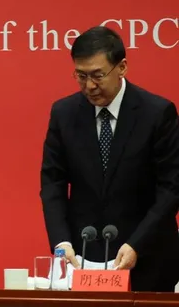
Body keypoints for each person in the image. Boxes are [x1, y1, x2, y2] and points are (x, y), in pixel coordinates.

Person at [40, 26, 179, 292]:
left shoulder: (157, 113)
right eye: (81, 76)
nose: (89, 86)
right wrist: (61, 243)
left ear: (122, 67)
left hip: (147, 256)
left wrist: (137, 244)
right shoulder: (64, 113)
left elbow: (171, 189)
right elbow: (52, 183)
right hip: (82, 257)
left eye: (97, 75)